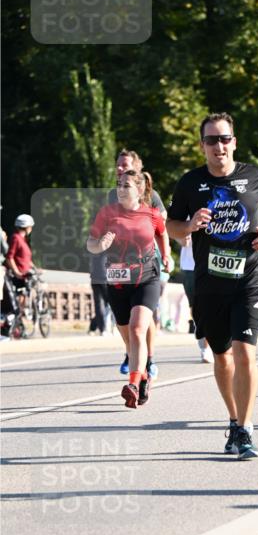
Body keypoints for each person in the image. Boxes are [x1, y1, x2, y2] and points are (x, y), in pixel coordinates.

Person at [166, 111, 258, 459]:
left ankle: (246, 429)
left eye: (225, 139)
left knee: (246, 350)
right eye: (212, 140)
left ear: (234, 142)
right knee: (222, 356)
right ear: (202, 145)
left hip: (250, 276)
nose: (219, 146)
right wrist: (188, 226)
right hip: (210, 283)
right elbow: (170, 225)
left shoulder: (255, 175)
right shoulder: (190, 183)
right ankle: (233, 420)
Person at [86, 169, 169, 408]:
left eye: (126, 186)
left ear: (140, 189)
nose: (120, 189)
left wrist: (166, 255)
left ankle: (132, 384)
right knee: (128, 339)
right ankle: (142, 375)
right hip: (118, 280)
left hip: (146, 277)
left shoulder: (151, 213)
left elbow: (162, 234)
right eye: (118, 184)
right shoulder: (107, 213)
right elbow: (90, 243)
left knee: (137, 328)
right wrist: (99, 244)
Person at [109, 150, 169, 379]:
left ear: (136, 166)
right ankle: (130, 352)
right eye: (118, 164)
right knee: (123, 318)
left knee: (144, 314)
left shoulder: (148, 193)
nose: (120, 168)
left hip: (148, 263)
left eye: (125, 164)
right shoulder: (113, 196)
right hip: (120, 265)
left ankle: (149, 357)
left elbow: (161, 221)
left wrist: (164, 254)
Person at [179, 230, 213, 362]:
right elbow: (173, 227)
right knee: (196, 309)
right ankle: (204, 342)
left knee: (211, 306)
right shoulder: (187, 209)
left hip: (213, 263)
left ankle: (208, 347)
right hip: (190, 265)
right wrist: (180, 238)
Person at [6, 214, 35, 312]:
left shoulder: (22, 240)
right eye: (30, 226)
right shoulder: (16, 238)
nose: (31, 229)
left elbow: (26, 259)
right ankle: (16, 324)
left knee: (23, 302)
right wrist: (17, 272)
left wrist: (35, 268)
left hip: (25, 276)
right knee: (18, 303)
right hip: (19, 277)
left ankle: (19, 324)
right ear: (26, 227)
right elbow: (10, 257)